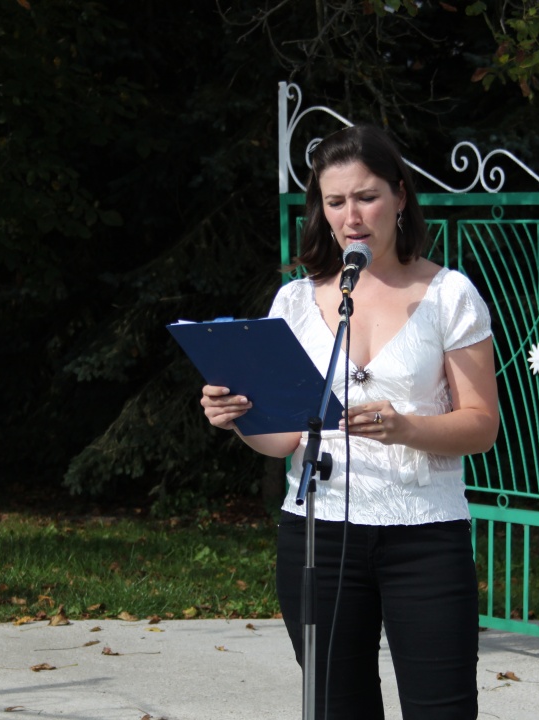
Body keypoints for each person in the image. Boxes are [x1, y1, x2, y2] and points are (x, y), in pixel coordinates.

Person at [200, 124, 499, 720]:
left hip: (424, 535)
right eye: (335, 202)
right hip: (319, 534)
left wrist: (406, 428)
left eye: (366, 197)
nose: (352, 217)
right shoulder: (295, 301)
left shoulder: (450, 295)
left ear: (400, 196)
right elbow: (284, 439)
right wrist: (236, 419)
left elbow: (482, 425)